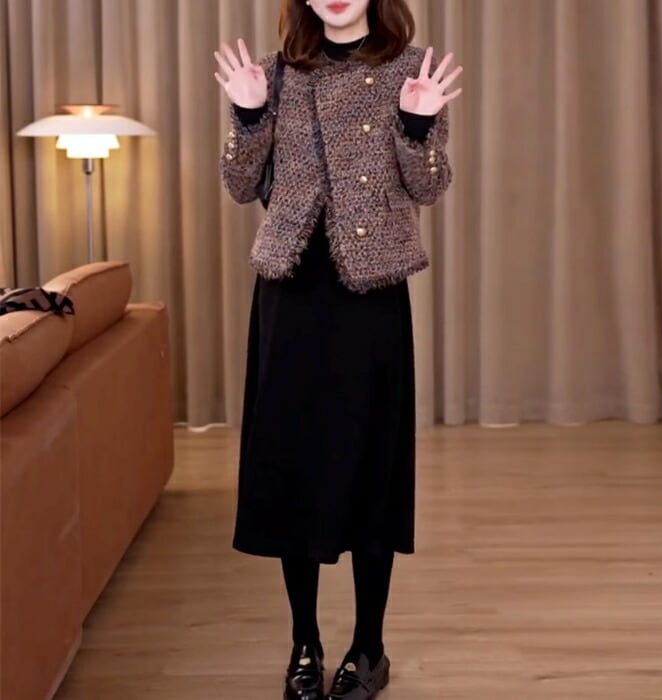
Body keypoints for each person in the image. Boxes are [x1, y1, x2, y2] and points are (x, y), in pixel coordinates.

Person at [215, 0, 461, 697]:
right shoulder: (272, 75)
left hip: (370, 297)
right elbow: (240, 185)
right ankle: (305, 644)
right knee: (293, 469)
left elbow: (430, 185)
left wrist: (417, 126)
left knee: (371, 469)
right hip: (289, 295)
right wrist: (248, 117)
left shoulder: (412, 72)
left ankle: (369, 648)